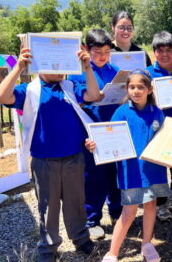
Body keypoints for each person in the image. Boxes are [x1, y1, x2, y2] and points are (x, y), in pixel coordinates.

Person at [0, 47, 101, 262]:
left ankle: (81, 239)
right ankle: (48, 249)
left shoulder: (70, 86)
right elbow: (0, 95)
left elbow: (94, 95)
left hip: (74, 157)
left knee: (75, 202)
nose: (61, 69)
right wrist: (18, 67)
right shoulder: (29, 90)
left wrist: (87, 67)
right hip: (44, 160)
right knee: (48, 206)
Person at [86, 70, 168, 262]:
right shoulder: (122, 112)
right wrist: (95, 144)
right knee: (129, 212)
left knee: (150, 205)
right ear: (127, 89)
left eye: (141, 87)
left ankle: (147, 244)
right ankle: (112, 252)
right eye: (132, 87)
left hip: (153, 170)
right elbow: (109, 136)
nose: (136, 91)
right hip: (131, 171)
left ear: (149, 89)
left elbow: (165, 140)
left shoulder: (157, 113)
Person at [68, 29, 122, 239]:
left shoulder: (116, 70)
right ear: (86, 50)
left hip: (114, 130)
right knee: (93, 176)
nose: (102, 56)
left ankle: (117, 213)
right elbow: (81, 98)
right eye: (98, 51)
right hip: (91, 132)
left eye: (107, 51)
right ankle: (92, 219)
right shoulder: (77, 72)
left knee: (115, 174)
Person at [146, 31, 172, 220]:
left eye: (169, 50)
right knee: (158, 168)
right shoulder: (148, 74)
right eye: (160, 50)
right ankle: (162, 204)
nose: (165, 54)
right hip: (155, 128)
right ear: (154, 52)